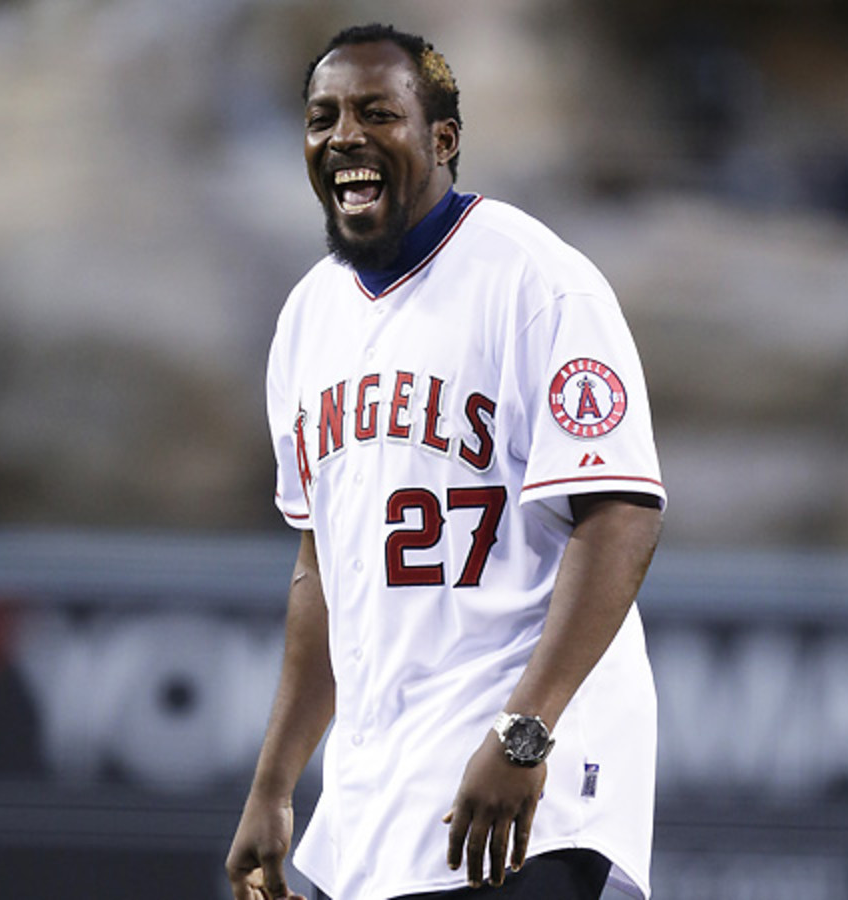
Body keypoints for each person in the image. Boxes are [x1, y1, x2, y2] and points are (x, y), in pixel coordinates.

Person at [226, 23, 665, 900]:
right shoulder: (309, 318)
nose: (343, 136)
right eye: (322, 118)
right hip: (375, 794)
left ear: (443, 139)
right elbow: (323, 567)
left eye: (376, 113)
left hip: (524, 789)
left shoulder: (536, 280)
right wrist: (275, 784)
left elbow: (621, 513)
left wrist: (525, 734)